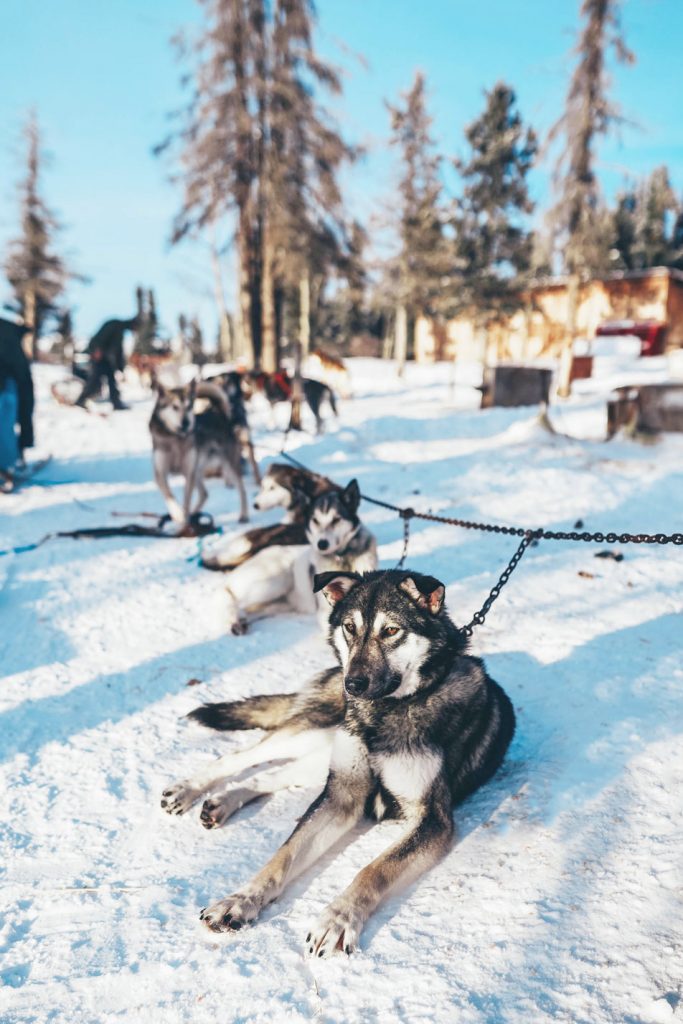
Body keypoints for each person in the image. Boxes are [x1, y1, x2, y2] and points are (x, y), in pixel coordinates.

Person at [75, 315, 140, 410]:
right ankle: (80, 400)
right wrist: (97, 350)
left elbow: (118, 352)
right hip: (98, 357)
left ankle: (116, 403)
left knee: (111, 381)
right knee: (95, 381)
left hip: (105, 359)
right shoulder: (114, 324)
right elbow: (100, 336)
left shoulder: (120, 331)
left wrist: (121, 368)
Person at [0, 315, 35, 492]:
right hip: (5, 386)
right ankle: (5, 468)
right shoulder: (9, 335)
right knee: (4, 426)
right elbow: (21, 371)